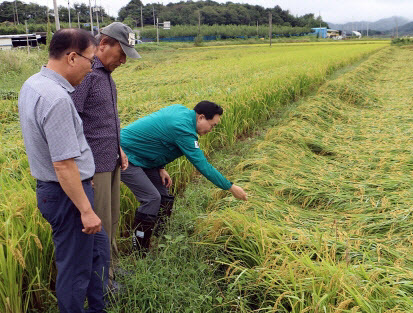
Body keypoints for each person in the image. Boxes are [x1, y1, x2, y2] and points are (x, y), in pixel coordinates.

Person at [18, 28, 109, 313]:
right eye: (90, 60)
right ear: (72, 57)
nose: (92, 67)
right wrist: (85, 208)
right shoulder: (56, 98)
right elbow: (63, 164)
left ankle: (98, 307)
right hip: (66, 195)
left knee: (98, 252)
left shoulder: (33, 83)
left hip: (64, 190)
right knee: (76, 269)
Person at [120, 101, 248, 253]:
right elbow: (203, 166)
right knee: (152, 198)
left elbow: (157, 138)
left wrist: (160, 167)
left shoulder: (181, 111)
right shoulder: (183, 129)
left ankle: (160, 239)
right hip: (125, 156)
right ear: (201, 117)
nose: (211, 129)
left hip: (144, 158)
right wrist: (230, 187)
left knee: (163, 197)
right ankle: (139, 251)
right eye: (212, 125)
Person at [71, 22, 139, 282]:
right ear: (103, 44)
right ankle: (101, 281)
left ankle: (108, 269)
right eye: (121, 54)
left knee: (111, 219)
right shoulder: (86, 75)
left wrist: (118, 148)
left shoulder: (106, 78)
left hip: (110, 160)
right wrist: (81, 167)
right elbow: (73, 122)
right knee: (98, 223)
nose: (123, 61)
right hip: (93, 166)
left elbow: (103, 121)